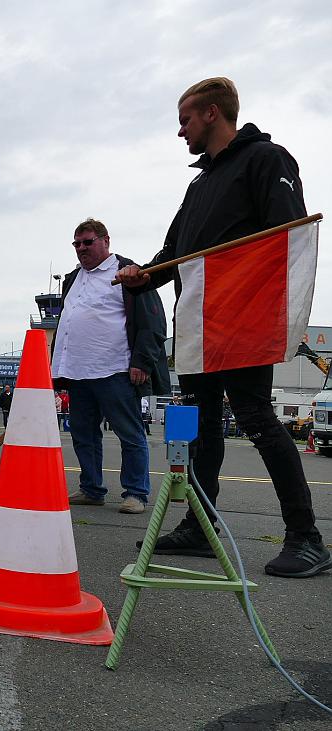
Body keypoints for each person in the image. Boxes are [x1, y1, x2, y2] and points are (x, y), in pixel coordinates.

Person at [115, 77, 329, 577]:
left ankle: (306, 536)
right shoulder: (199, 183)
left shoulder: (266, 159)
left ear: (212, 114)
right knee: (202, 427)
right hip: (199, 323)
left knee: (256, 418)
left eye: (185, 120)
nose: (180, 132)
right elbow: (177, 253)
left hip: (242, 319)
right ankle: (200, 524)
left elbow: (287, 238)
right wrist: (142, 277)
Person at [52, 217, 170, 515]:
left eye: (88, 242)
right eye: (76, 244)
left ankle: (136, 493)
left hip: (114, 369)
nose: (81, 248)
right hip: (78, 371)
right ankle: (92, 488)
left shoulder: (128, 272)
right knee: (83, 433)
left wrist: (141, 361)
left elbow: (153, 320)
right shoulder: (73, 278)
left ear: (106, 241)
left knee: (129, 433)